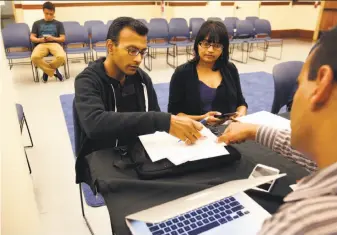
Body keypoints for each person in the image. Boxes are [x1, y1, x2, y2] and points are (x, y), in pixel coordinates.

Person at [218, 27, 337, 235]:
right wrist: (253, 131)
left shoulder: (302, 224)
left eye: (298, 85)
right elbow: (314, 157)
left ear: (321, 84)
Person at [74, 17, 203, 184]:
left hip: (139, 154)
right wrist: (162, 120)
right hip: (102, 158)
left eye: (142, 52)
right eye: (131, 50)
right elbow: (95, 124)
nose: (138, 59)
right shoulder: (87, 80)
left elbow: (154, 116)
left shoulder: (141, 79)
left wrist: (182, 121)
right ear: (110, 47)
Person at [168, 20, 247, 126]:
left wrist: (241, 114)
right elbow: (174, 114)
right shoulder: (182, 73)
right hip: (195, 131)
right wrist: (203, 118)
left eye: (217, 45)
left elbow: (241, 103)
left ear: (223, 49)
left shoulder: (230, 69)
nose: (210, 50)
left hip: (228, 130)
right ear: (197, 45)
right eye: (206, 44)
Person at [30, 1, 66, 82]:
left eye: (51, 14)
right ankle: (54, 72)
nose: (49, 16)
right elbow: (32, 37)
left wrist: (53, 38)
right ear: (43, 11)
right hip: (41, 44)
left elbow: (63, 38)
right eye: (46, 13)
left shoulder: (59, 24)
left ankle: (46, 72)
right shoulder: (37, 23)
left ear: (54, 12)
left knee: (62, 57)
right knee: (34, 57)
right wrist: (40, 40)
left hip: (54, 43)